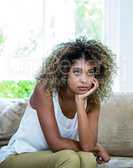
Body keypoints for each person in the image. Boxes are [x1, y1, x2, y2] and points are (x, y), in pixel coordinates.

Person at [0, 37, 116, 168]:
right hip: (18, 156)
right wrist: (95, 147)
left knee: (88, 158)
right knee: (69, 158)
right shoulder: (45, 89)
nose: (84, 80)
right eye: (77, 72)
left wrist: (79, 101)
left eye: (90, 73)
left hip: (57, 157)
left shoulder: (92, 101)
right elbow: (55, 143)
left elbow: (88, 146)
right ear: (65, 73)